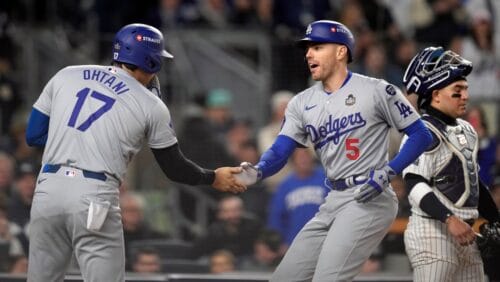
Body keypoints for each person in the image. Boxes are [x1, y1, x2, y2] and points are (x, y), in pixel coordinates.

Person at [24, 23, 245, 282]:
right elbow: (174, 167)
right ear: (150, 61)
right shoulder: (151, 104)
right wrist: (212, 177)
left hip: (48, 188)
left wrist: (79, 140)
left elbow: (33, 135)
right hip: (93, 194)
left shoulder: (67, 74)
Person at [235, 20, 432, 281]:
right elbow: (281, 149)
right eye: (307, 48)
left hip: (370, 196)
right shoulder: (301, 102)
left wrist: (389, 170)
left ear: (341, 51)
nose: (308, 53)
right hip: (333, 198)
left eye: (317, 47)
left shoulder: (377, 90)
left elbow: (421, 134)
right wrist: (258, 171)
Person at [401, 46, 500, 282]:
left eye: (465, 89)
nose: (465, 96)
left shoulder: (467, 129)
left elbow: (473, 183)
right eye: (457, 91)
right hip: (433, 232)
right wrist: (449, 219)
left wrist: (496, 219)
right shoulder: (421, 131)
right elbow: (413, 183)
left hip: (466, 233)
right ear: (435, 94)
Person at [267, 148, 329, 246]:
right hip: (294, 243)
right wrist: (279, 244)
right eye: (300, 157)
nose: (304, 160)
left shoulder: (325, 179)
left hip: (325, 239)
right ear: (293, 161)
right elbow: (277, 217)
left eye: (306, 156)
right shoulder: (285, 186)